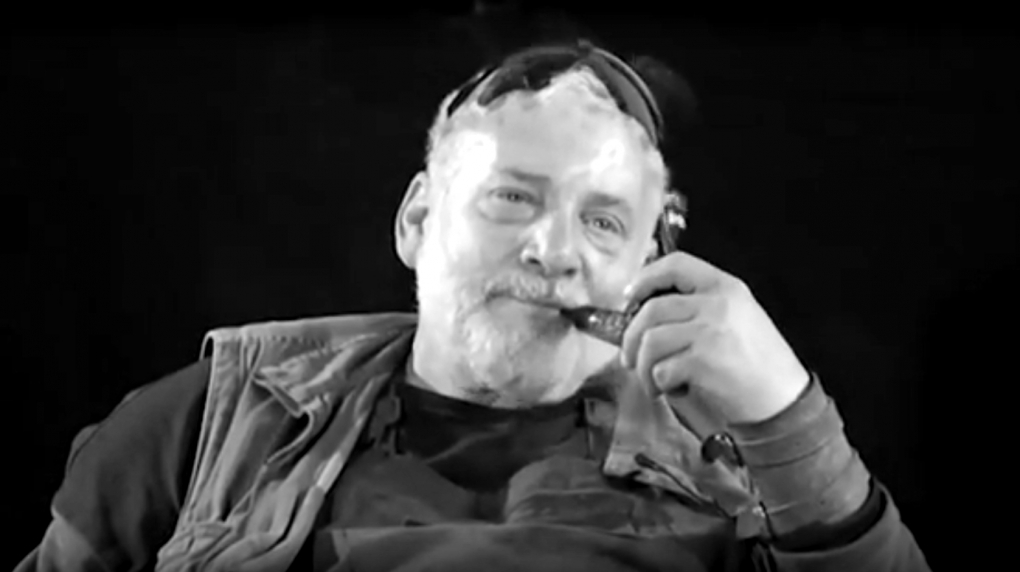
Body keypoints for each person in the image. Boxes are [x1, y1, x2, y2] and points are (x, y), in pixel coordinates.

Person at [17, 39, 931, 572]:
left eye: (603, 221)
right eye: (513, 197)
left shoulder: (741, 466)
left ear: (650, 264)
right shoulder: (215, 417)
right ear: (418, 219)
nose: (555, 251)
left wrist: (789, 421)